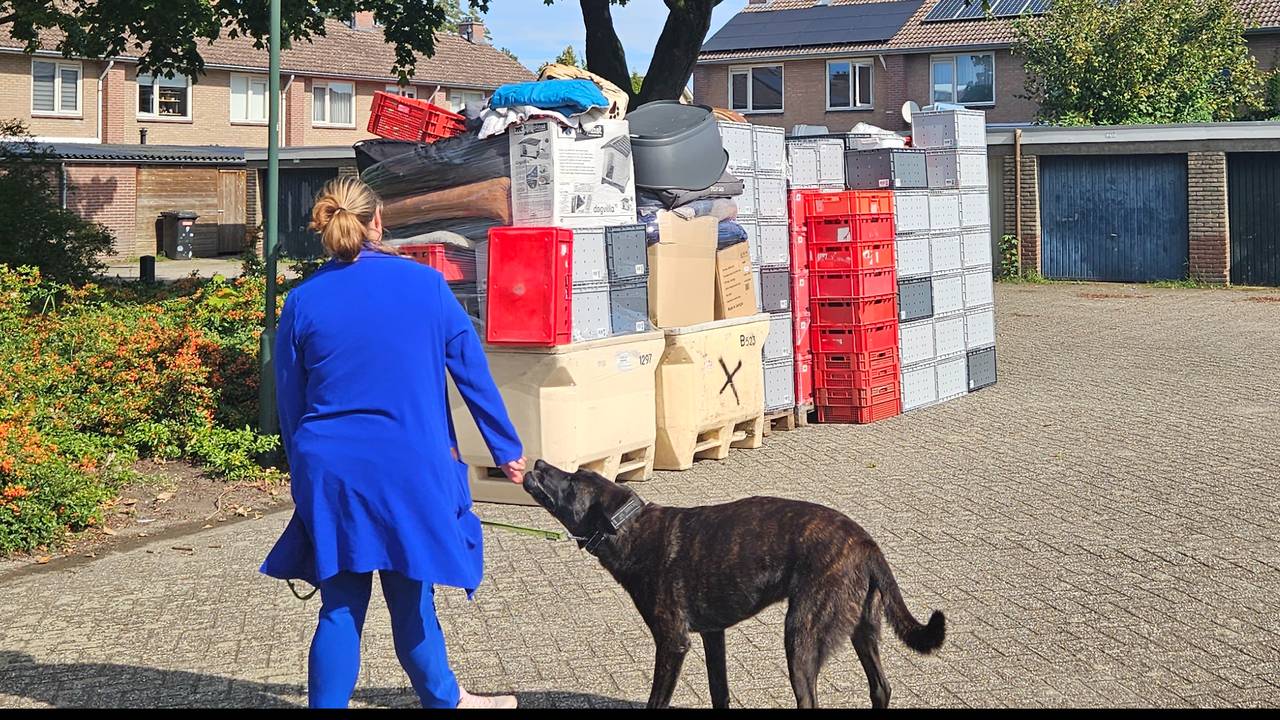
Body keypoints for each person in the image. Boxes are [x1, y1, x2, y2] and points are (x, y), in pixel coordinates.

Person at [260, 176, 526, 709]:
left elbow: (290, 402)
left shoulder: (301, 301)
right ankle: (445, 701)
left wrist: (301, 472)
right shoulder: (426, 286)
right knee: (410, 593)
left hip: (331, 469)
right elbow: (471, 374)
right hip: (408, 464)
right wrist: (507, 451)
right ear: (378, 222)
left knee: (339, 602)